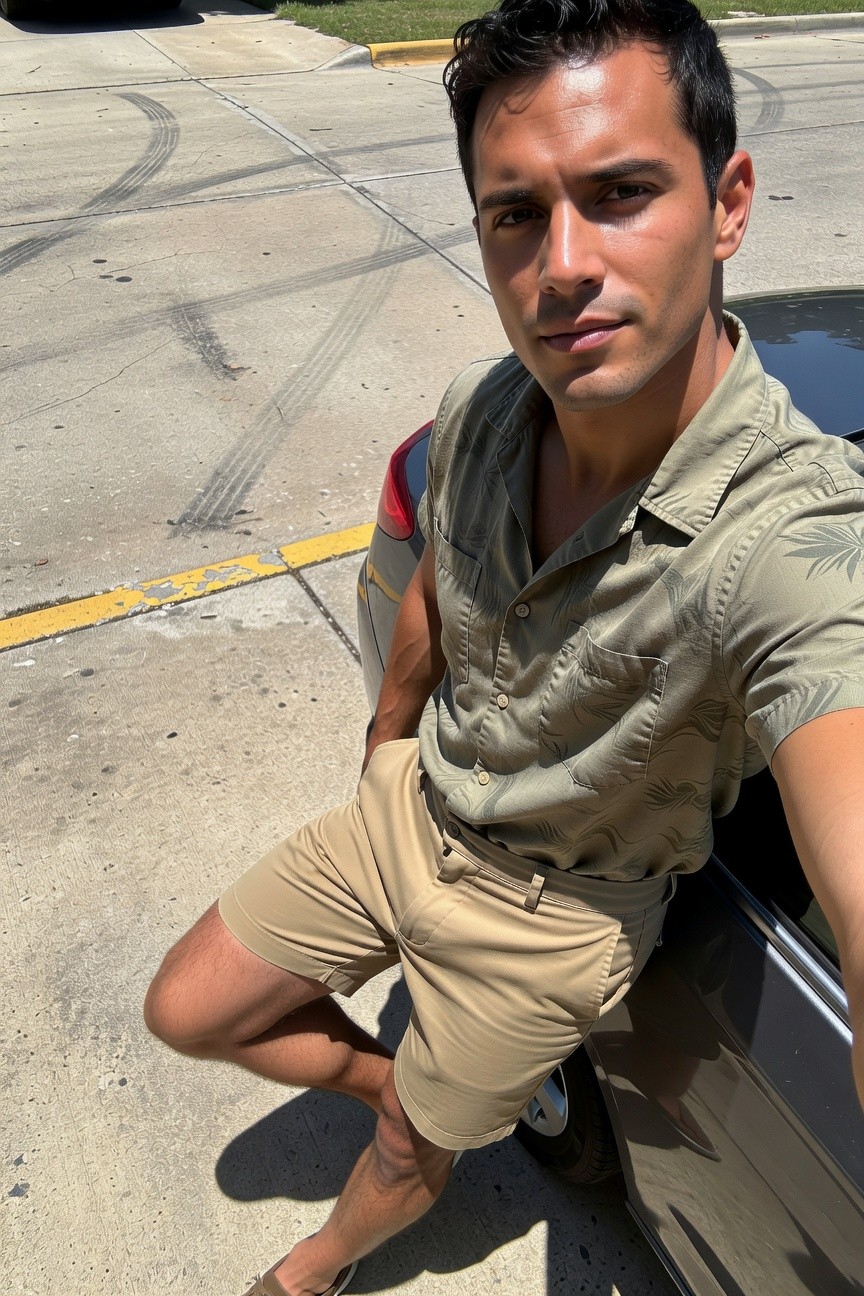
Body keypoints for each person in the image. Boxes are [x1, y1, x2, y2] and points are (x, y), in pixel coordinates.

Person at [143, 2, 864, 1293]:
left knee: (403, 1162)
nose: (564, 263)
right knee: (186, 1009)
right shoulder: (488, 402)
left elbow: (839, 718)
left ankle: (313, 1267)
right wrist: (384, 739)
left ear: (730, 202)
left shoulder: (789, 534)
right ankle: (416, 1093)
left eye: (623, 191)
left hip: (552, 919)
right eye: (515, 213)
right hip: (413, 811)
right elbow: (440, 579)